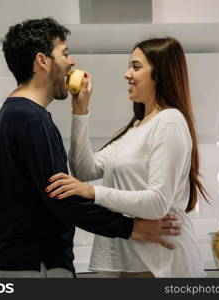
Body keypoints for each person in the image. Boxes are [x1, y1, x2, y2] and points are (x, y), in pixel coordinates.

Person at [0, 18, 181, 278]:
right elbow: (64, 199)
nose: (71, 62)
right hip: (35, 264)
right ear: (43, 61)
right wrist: (132, 228)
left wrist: (80, 110)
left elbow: (80, 174)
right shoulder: (30, 118)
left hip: (20, 262)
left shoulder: (14, 112)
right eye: (64, 53)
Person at [46, 37, 209, 277]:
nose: (126, 74)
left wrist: (91, 192)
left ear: (159, 73)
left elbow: (157, 203)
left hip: (163, 264)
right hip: (133, 263)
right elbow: (84, 169)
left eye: (136, 66)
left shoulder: (170, 122)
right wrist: (80, 110)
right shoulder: (136, 128)